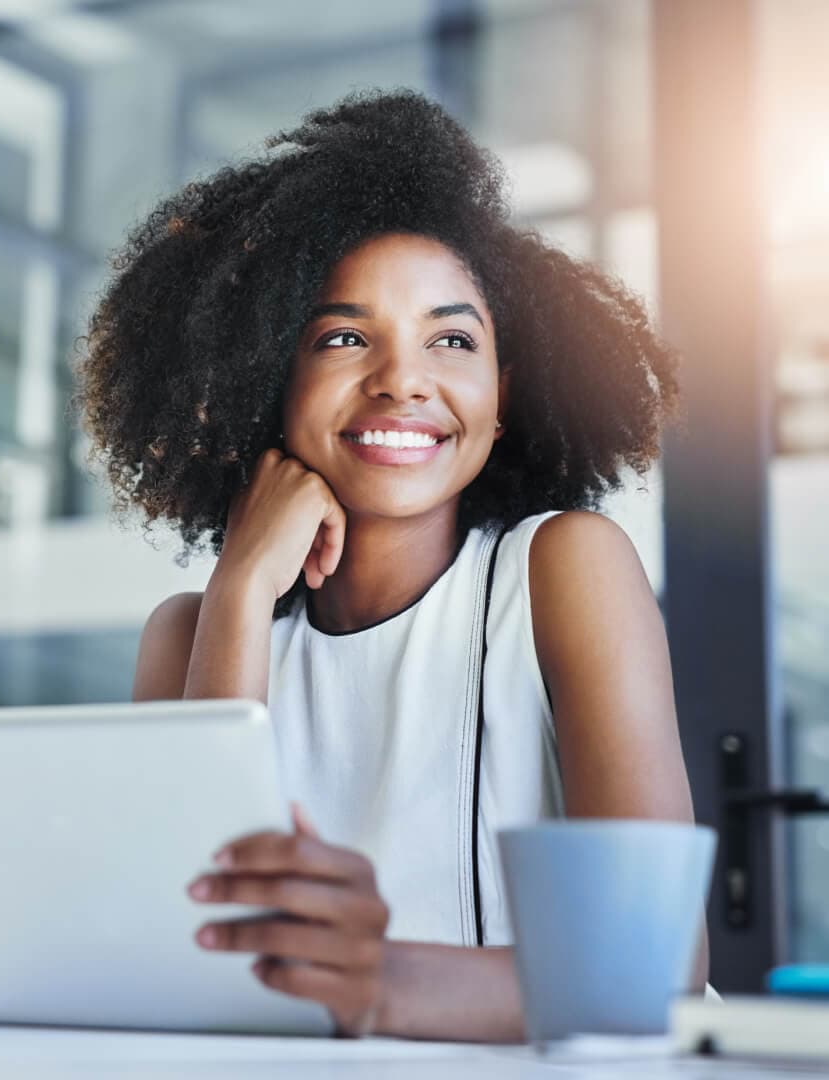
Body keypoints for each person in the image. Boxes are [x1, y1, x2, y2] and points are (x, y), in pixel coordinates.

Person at [75, 89, 707, 1042]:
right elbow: (192, 960)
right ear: (263, 379)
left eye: (452, 339)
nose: (403, 379)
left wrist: (374, 984)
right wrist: (241, 590)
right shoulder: (190, 633)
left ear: (501, 396)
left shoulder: (561, 569)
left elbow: (650, 963)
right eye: (342, 337)